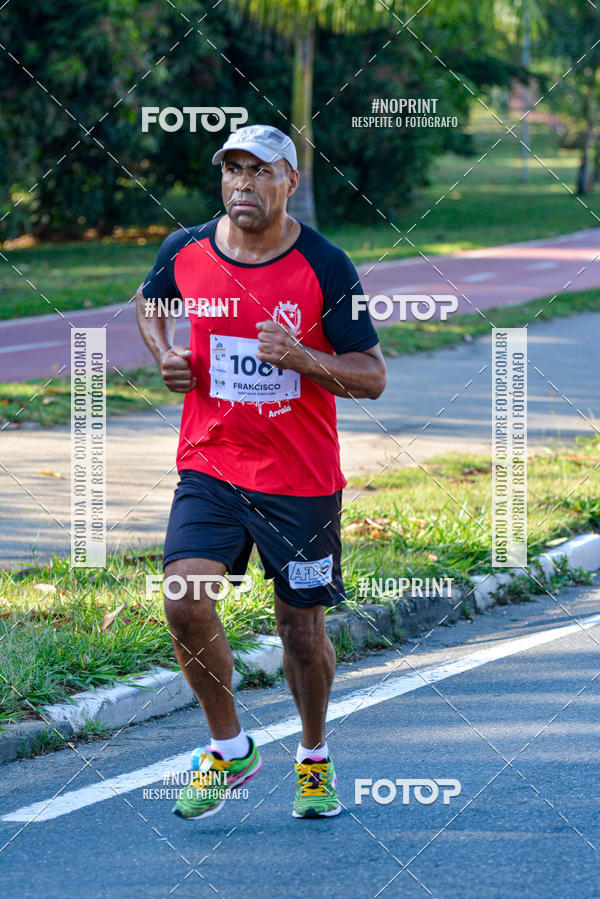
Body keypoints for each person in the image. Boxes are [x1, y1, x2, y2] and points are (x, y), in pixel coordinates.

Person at [136, 123, 386, 821]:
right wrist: (165, 354)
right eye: (233, 170)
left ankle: (314, 756)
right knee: (184, 599)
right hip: (211, 461)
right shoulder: (185, 249)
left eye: (260, 171)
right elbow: (150, 301)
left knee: (301, 631)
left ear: (290, 182)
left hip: (299, 478)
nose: (243, 183)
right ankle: (229, 747)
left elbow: (372, 375)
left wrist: (304, 357)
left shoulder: (325, 266)